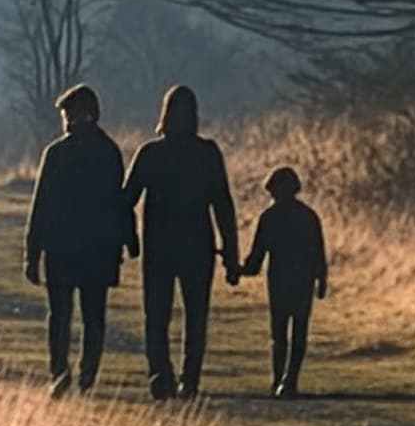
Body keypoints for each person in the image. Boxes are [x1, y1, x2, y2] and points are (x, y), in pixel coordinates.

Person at [120, 82, 239, 400]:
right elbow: (223, 206)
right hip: (198, 247)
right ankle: (188, 379)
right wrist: (231, 254)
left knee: (157, 316)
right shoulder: (207, 153)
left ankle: (161, 375)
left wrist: (126, 239)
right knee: (194, 316)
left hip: (160, 246)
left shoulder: (151, 154)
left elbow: (125, 201)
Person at [21, 82, 132, 396]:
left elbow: (40, 206)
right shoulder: (108, 152)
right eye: (66, 115)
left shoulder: (57, 153)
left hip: (63, 249)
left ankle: (62, 373)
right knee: (91, 315)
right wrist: (126, 241)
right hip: (96, 249)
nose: (67, 121)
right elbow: (119, 203)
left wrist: (33, 252)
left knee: (61, 315)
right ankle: (83, 375)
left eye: (70, 114)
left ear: (87, 115)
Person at [241, 164, 329, 398]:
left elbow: (257, 256)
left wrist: (238, 270)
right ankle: (290, 380)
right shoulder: (308, 216)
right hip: (303, 279)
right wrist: (322, 280)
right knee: (299, 330)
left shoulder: (269, 217)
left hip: (279, 279)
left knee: (278, 332)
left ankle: (279, 378)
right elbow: (318, 252)